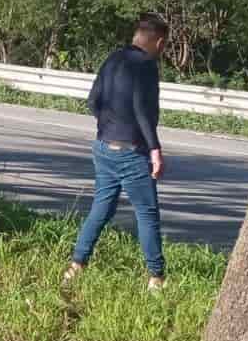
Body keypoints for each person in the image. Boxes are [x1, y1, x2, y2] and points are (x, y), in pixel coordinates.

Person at [65, 14, 170, 290]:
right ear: (159, 42)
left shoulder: (113, 59)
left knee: (101, 208)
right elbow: (143, 111)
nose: (163, 51)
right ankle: (156, 279)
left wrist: (108, 126)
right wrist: (155, 149)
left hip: (103, 147)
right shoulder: (146, 66)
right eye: (164, 46)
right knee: (147, 214)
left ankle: (75, 267)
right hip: (133, 152)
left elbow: (92, 101)